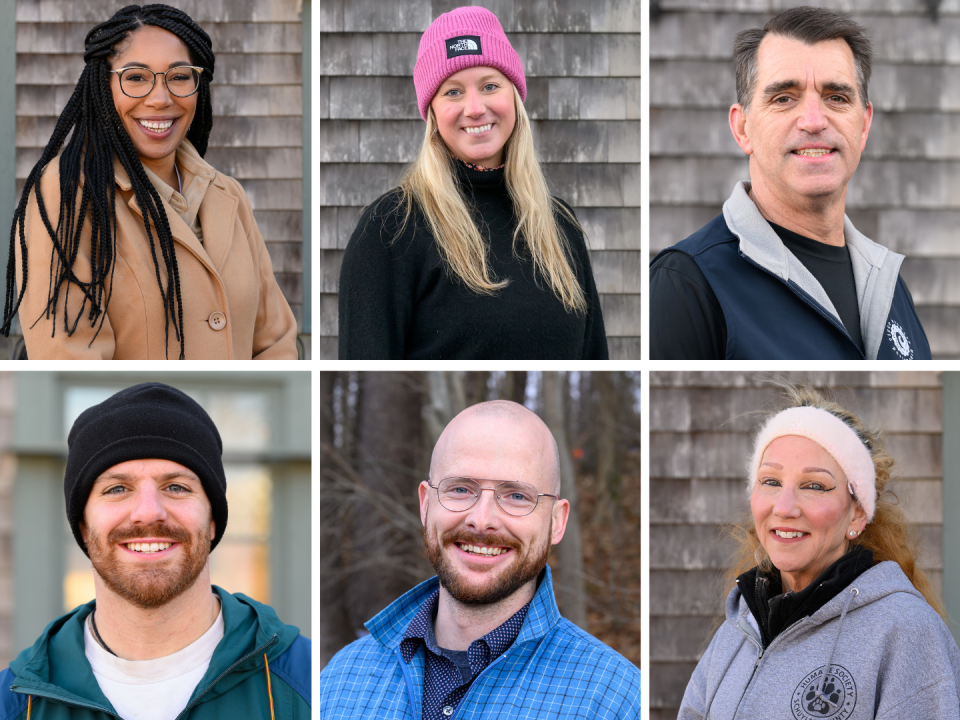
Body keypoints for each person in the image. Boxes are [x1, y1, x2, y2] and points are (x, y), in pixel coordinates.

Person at [1, 5, 298, 360]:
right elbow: (71, 361)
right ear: (103, 84)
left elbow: (276, 344)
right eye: (137, 77)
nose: (161, 98)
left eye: (180, 76)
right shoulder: (65, 195)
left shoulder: (228, 195)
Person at [0, 383, 311, 718]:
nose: (149, 512)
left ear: (212, 522)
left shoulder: (307, 683)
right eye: (117, 488)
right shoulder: (15, 703)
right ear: (83, 527)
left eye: (176, 487)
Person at [318, 400, 640, 718]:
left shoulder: (615, 701)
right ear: (425, 504)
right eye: (460, 489)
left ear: (556, 522)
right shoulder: (341, 680)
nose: (482, 519)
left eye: (516, 496)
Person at [650, 6, 930, 360]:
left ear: (863, 125)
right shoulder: (688, 284)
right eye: (784, 98)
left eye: (836, 97)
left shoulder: (890, 286)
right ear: (742, 128)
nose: (814, 121)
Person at [337, 7, 608, 360]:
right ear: (432, 110)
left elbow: (595, 358)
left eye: (490, 85)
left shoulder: (559, 225)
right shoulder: (391, 229)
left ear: (514, 95)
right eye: (453, 92)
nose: (475, 107)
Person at [678, 384, 960, 719]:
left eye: (814, 486)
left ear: (857, 513)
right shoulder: (738, 629)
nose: (784, 507)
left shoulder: (905, 632)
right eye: (770, 481)